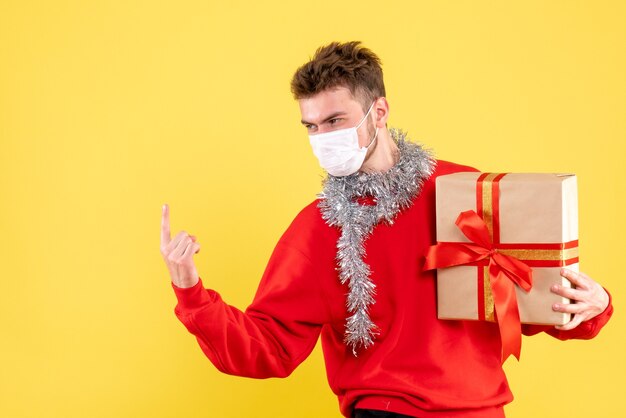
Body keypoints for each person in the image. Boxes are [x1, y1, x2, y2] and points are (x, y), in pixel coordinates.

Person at [159, 41, 613, 418]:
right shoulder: (317, 229)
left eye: (335, 121)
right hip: (384, 412)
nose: (323, 139)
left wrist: (594, 305)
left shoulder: (465, 193)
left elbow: (529, 295)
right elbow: (268, 348)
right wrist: (191, 291)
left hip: (480, 409)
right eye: (311, 127)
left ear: (379, 112)